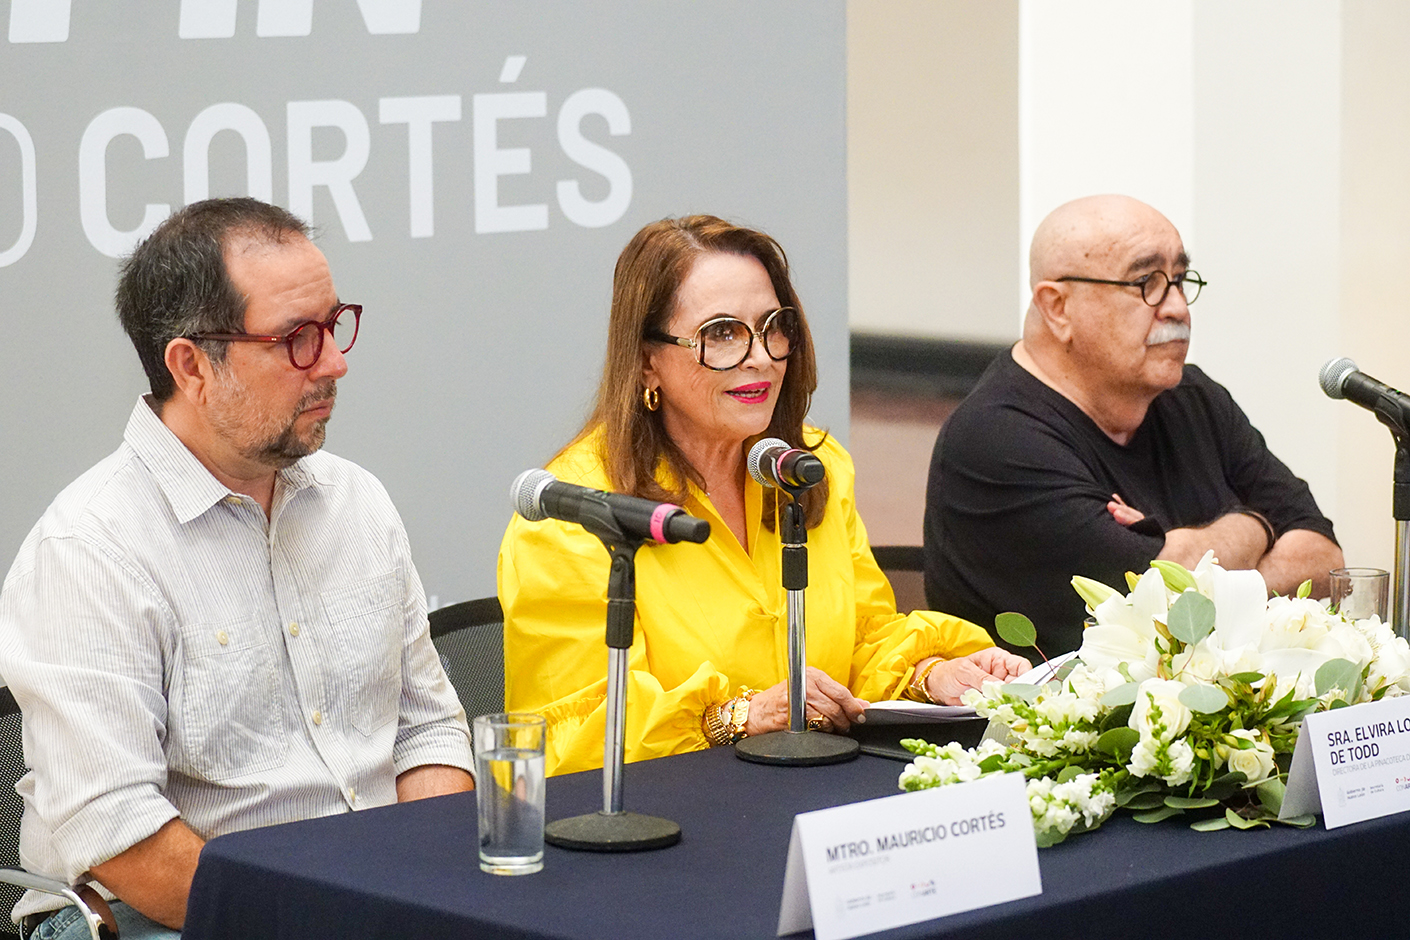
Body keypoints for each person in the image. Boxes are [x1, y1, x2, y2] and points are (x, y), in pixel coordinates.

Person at [0, 198, 474, 939]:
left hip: (370, 901)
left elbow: (427, 732)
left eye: (334, 324)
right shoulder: (89, 550)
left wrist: (429, 885)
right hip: (160, 918)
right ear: (191, 366)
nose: (336, 361)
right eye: (297, 340)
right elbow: (124, 838)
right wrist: (329, 921)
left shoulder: (357, 503)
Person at [498, 215, 1029, 777]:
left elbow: (864, 637)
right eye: (721, 333)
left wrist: (935, 673)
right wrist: (736, 717)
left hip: (814, 787)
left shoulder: (807, 468)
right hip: (673, 816)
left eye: (774, 326)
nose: (761, 356)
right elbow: (568, 732)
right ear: (646, 360)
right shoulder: (574, 514)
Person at [923, 194, 1342, 655]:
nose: (1178, 308)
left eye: (1180, 280)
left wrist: (1193, 559)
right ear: (1057, 307)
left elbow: (1325, 564)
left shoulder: (1192, 397)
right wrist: (1257, 524)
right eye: (1147, 282)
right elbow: (1166, 611)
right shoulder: (998, 439)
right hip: (1049, 720)